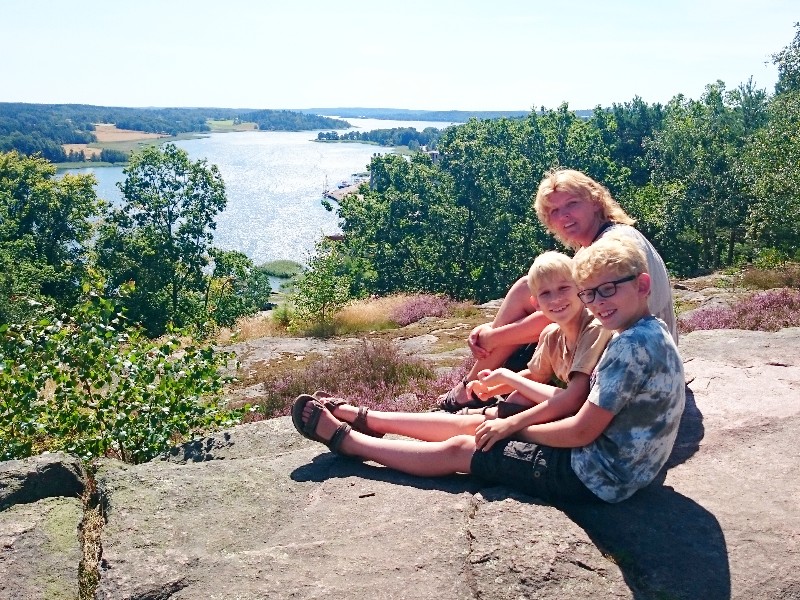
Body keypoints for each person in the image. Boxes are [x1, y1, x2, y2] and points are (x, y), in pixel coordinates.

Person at [291, 235, 686, 504]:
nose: (598, 303)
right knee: (480, 423)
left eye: (609, 289)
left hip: (601, 476)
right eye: (590, 293)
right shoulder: (647, 330)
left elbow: (581, 428)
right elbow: (576, 409)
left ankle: (351, 444)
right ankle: (370, 419)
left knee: (467, 447)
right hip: (623, 465)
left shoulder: (628, 346)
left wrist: (510, 428)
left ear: (643, 284)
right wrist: (504, 416)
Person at [438, 168, 677, 412]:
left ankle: (472, 388)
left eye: (572, 204)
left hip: (632, 357)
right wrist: (491, 332)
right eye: (554, 211)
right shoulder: (603, 241)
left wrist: (492, 337)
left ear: (595, 201)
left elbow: (570, 311)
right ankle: (477, 387)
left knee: (539, 299)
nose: (564, 216)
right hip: (633, 345)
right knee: (528, 286)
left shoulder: (610, 247)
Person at [461, 250, 612, 420]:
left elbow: (576, 400)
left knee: (513, 405)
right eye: (545, 293)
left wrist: (506, 376)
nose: (555, 299)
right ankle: (483, 417)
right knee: (518, 398)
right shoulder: (553, 335)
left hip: (590, 415)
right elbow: (536, 376)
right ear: (536, 303)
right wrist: (489, 389)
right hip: (570, 405)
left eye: (563, 288)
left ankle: (481, 417)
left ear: (581, 289)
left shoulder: (595, 328)